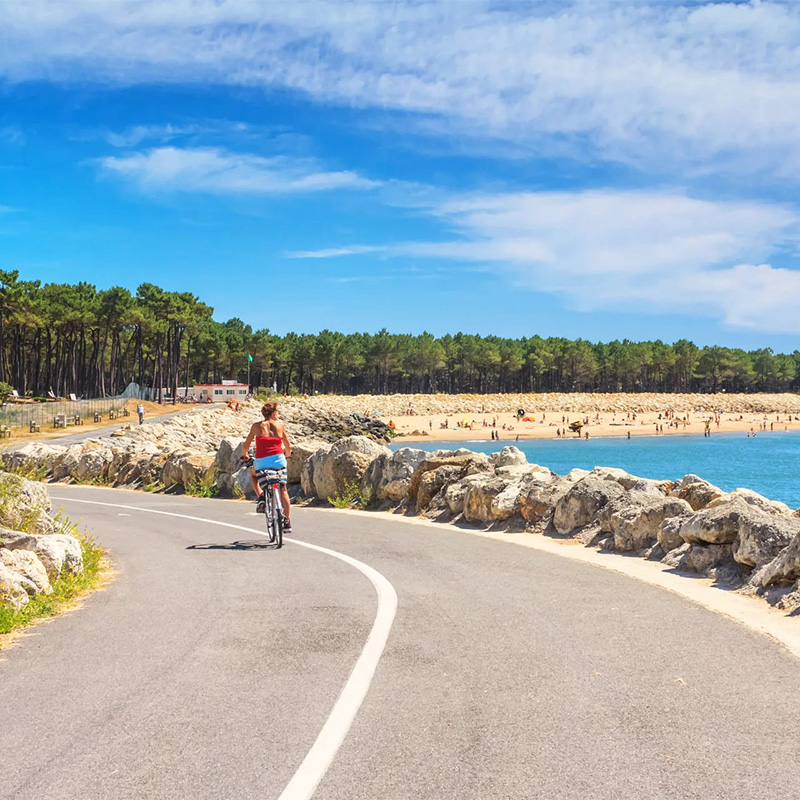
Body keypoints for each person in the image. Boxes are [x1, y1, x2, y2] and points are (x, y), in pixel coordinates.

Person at [241, 401, 292, 532]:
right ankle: (287, 521)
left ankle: (261, 496)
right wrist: (288, 455)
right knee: (283, 489)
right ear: (274, 413)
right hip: (279, 461)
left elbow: (246, 444)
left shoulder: (256, 426)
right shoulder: (280, 426)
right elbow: (288, 446)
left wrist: (244, 455)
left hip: (262, 461)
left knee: (253, 475)